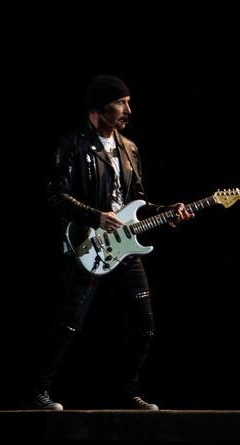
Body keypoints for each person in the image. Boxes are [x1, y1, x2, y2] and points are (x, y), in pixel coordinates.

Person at [30, 74, 194, 410]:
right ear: (98, 107)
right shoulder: (72, 144)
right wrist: (96, 216)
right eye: (121, 102)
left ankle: (127, 391)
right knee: (69, 324)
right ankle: (38, 390)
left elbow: (137, 200)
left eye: (128, 102)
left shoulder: (129, 147)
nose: (127, 109)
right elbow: (55, 195)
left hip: (125, 247)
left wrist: (167, 212)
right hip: (87, 246)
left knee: (144, 325)